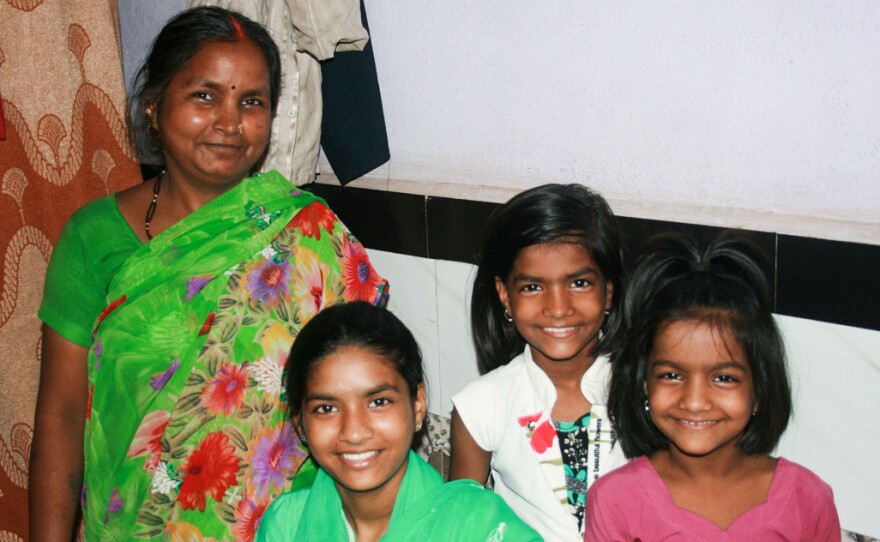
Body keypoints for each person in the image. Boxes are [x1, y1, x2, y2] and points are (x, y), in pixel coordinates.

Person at [28, 7, 388, 541]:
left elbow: (369, 401)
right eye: (204, 95)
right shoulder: (93, 237)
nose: (229, 121)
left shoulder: (309, 234)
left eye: (251, 102)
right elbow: (59, 417)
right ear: (154, 106)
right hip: (132, 523)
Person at [584, 231, 840, 541]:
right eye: (671, 375)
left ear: (759, 388)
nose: (694, 401)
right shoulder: (614, 502)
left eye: (723, 378)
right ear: (644, 384)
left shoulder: (807, 498)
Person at [256, 302, 542, 541]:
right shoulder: (286, 525)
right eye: (327, 408)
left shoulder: (476, 526)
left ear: (417, 405)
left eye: (378, 402)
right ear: (300, 424)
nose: (354, 432)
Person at [450, 184, 628, 541]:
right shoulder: (481, 405)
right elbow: (462, 524)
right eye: (533, 287)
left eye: (578, 283)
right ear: (505, 295)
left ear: (608, 290)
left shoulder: (647, 389)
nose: (558, 308)